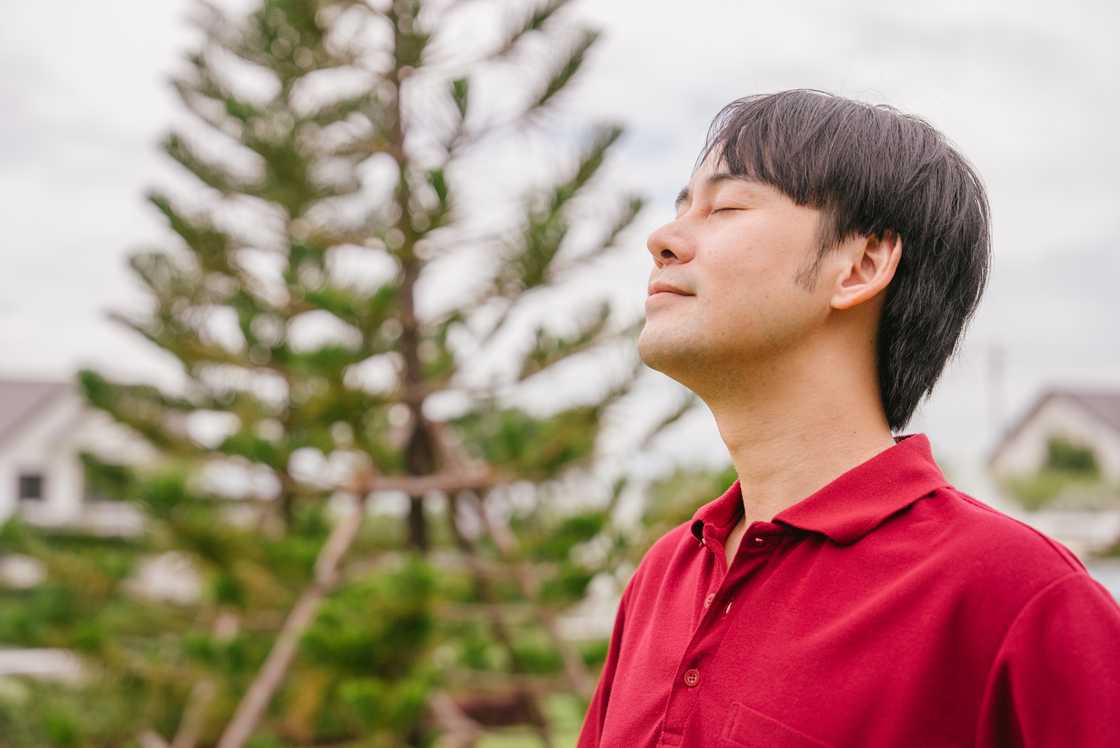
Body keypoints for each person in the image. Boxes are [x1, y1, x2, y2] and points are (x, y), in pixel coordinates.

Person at [575, 89, 1120, 747]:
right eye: (680, 208)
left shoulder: (1019, 598)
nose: (662, 239)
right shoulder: (665, 574)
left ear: (860, 266)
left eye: (725, 207)